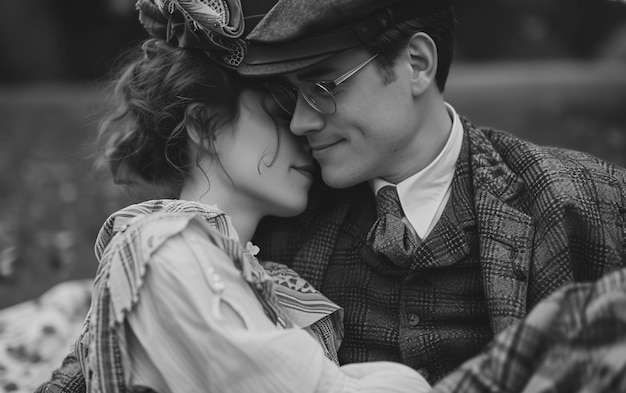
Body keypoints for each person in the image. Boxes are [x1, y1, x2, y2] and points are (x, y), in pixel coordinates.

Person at [35, 0, 432, 392]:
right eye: (279, 112)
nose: (303, 129)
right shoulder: (165, 251)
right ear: (205, 126)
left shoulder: (263, 277)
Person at [237, 0, 626, 385]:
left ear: (418, 64)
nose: (301, 122)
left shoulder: (586, 197)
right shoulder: (281, 220)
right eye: (290, 96)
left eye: (322, 86)